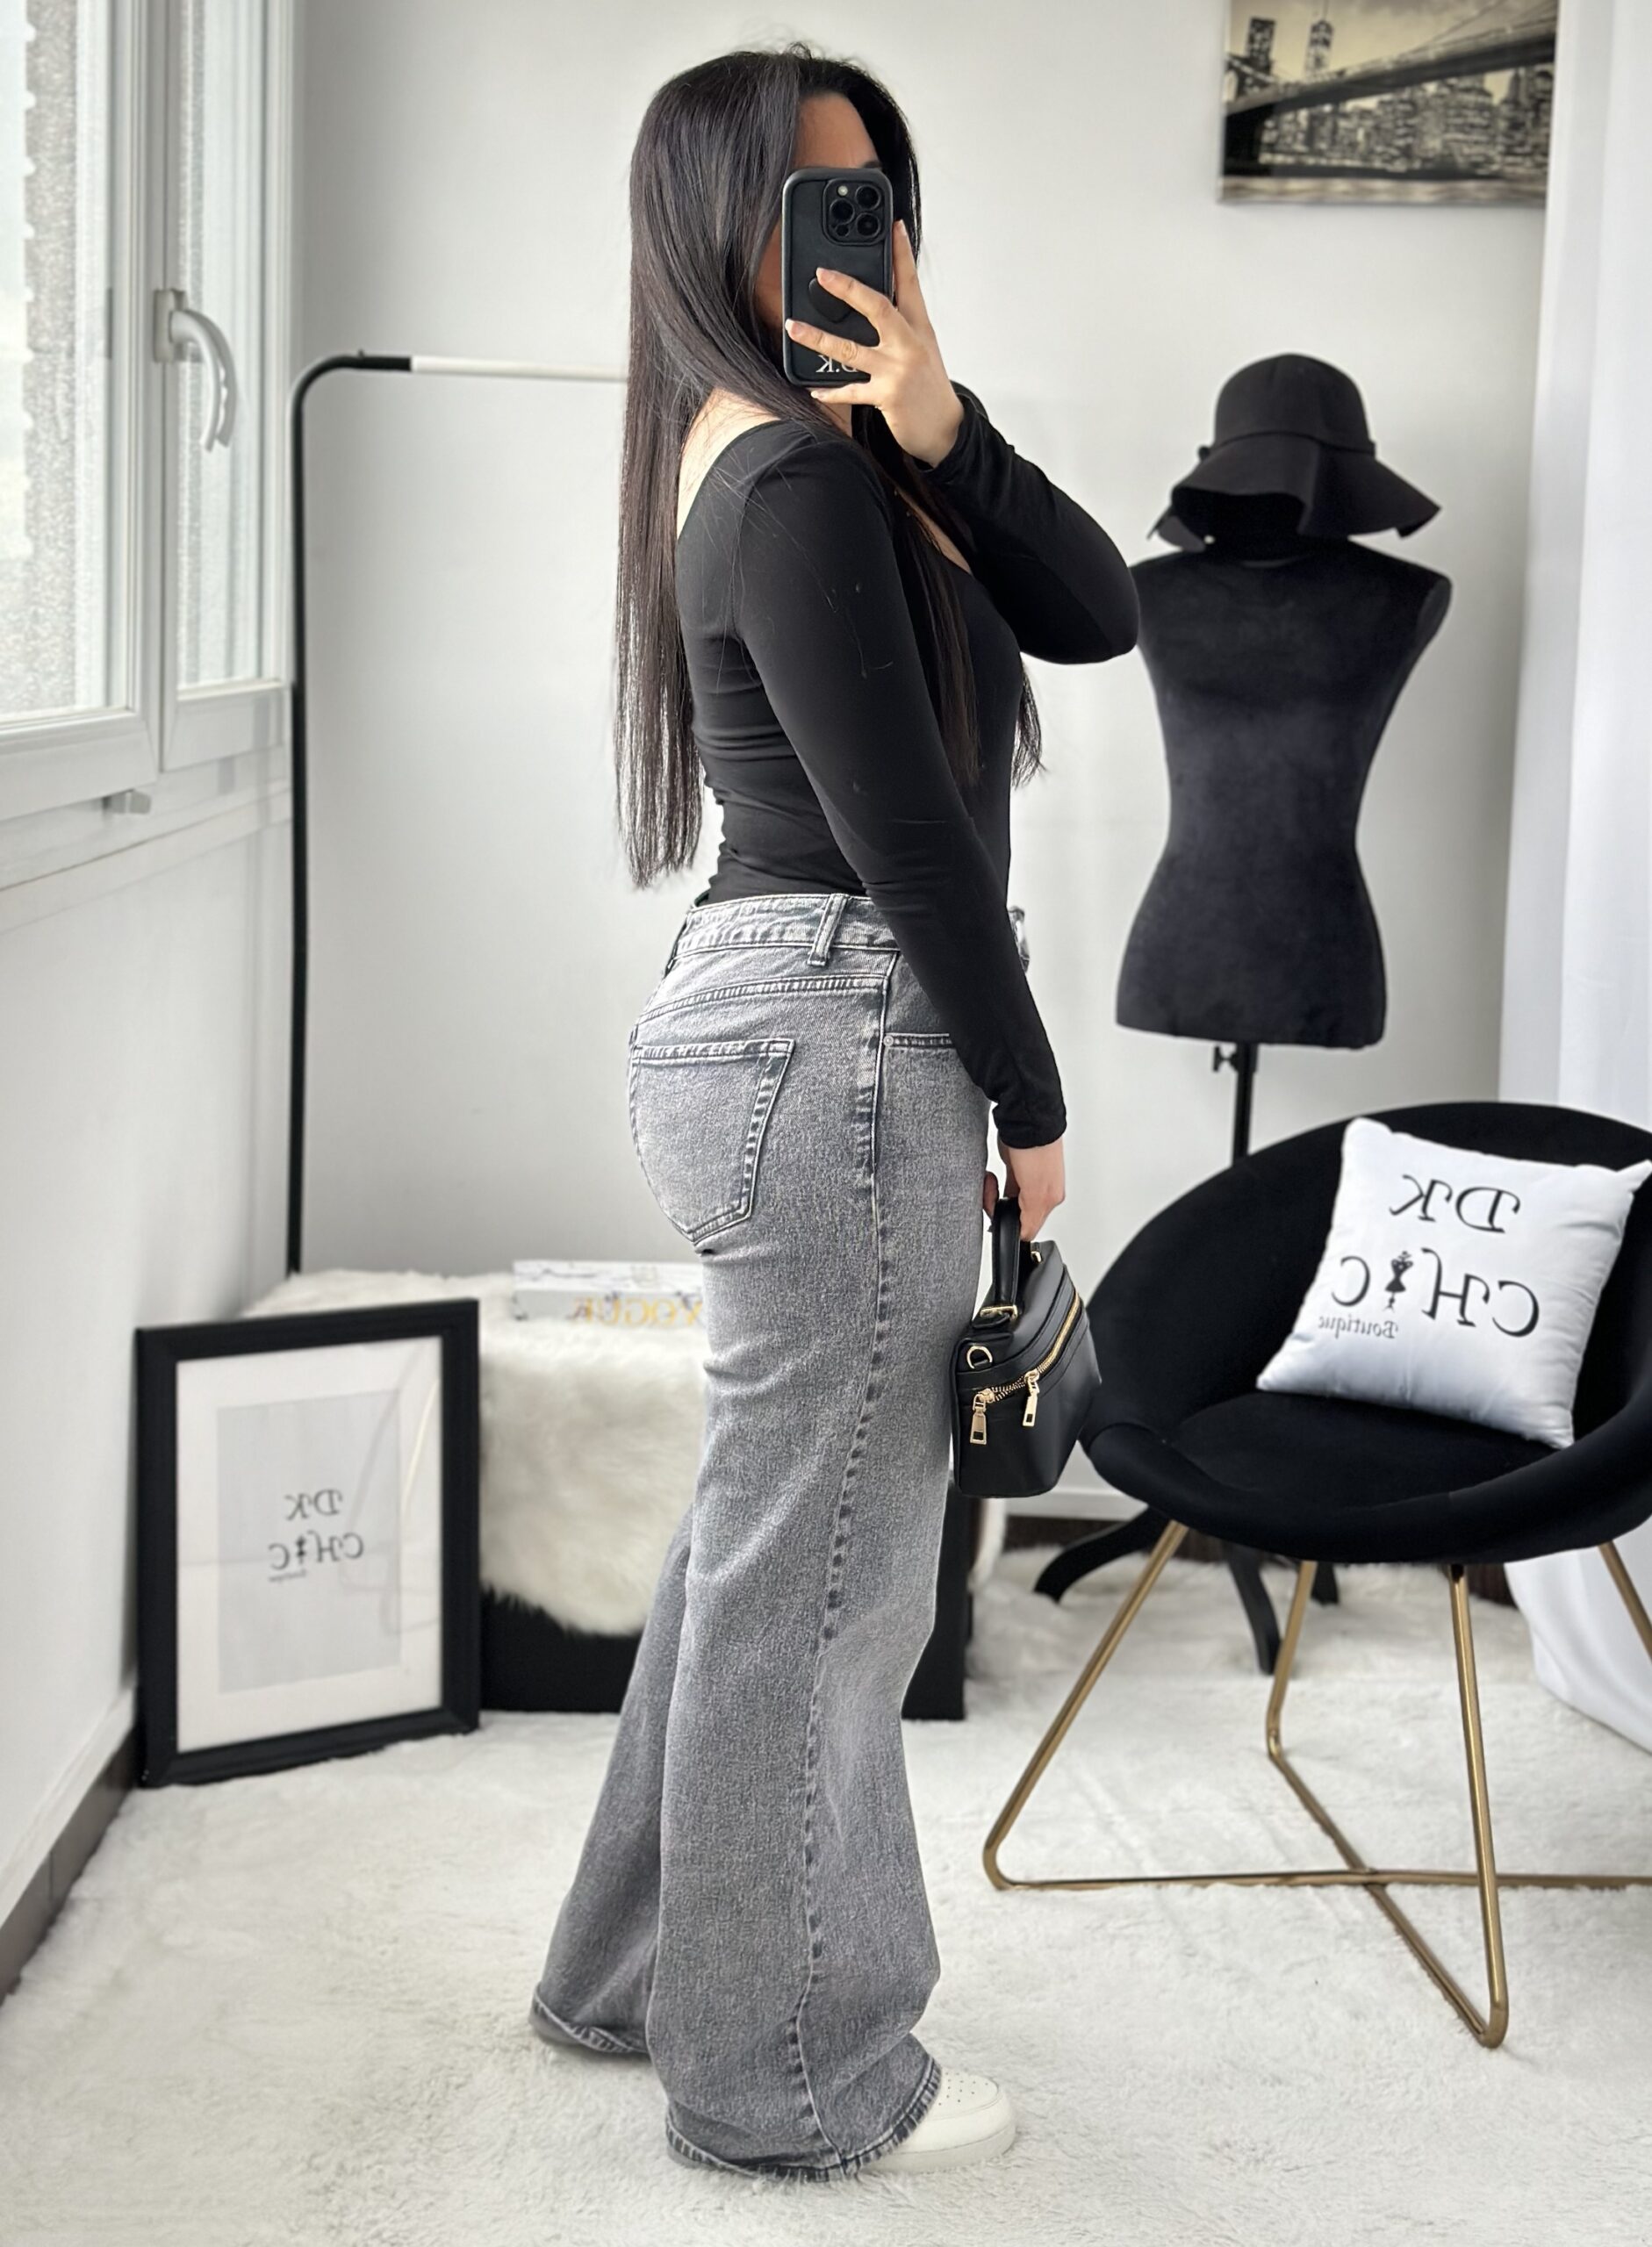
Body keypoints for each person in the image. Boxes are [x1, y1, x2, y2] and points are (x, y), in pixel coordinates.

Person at [528, 41, 1138, 2184]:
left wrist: (945, 426)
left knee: (758, 1546)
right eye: (809, 197)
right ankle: (783, 2072)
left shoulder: (819, 453)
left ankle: (631, 1973)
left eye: (872, 191)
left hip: (787, 1028)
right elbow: (907, 837)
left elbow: (1099, 609)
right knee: (830, 1582)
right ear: (712, 220)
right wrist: (1029, 1096)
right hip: (844, 1030)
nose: (851, 233)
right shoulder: (786, 480)